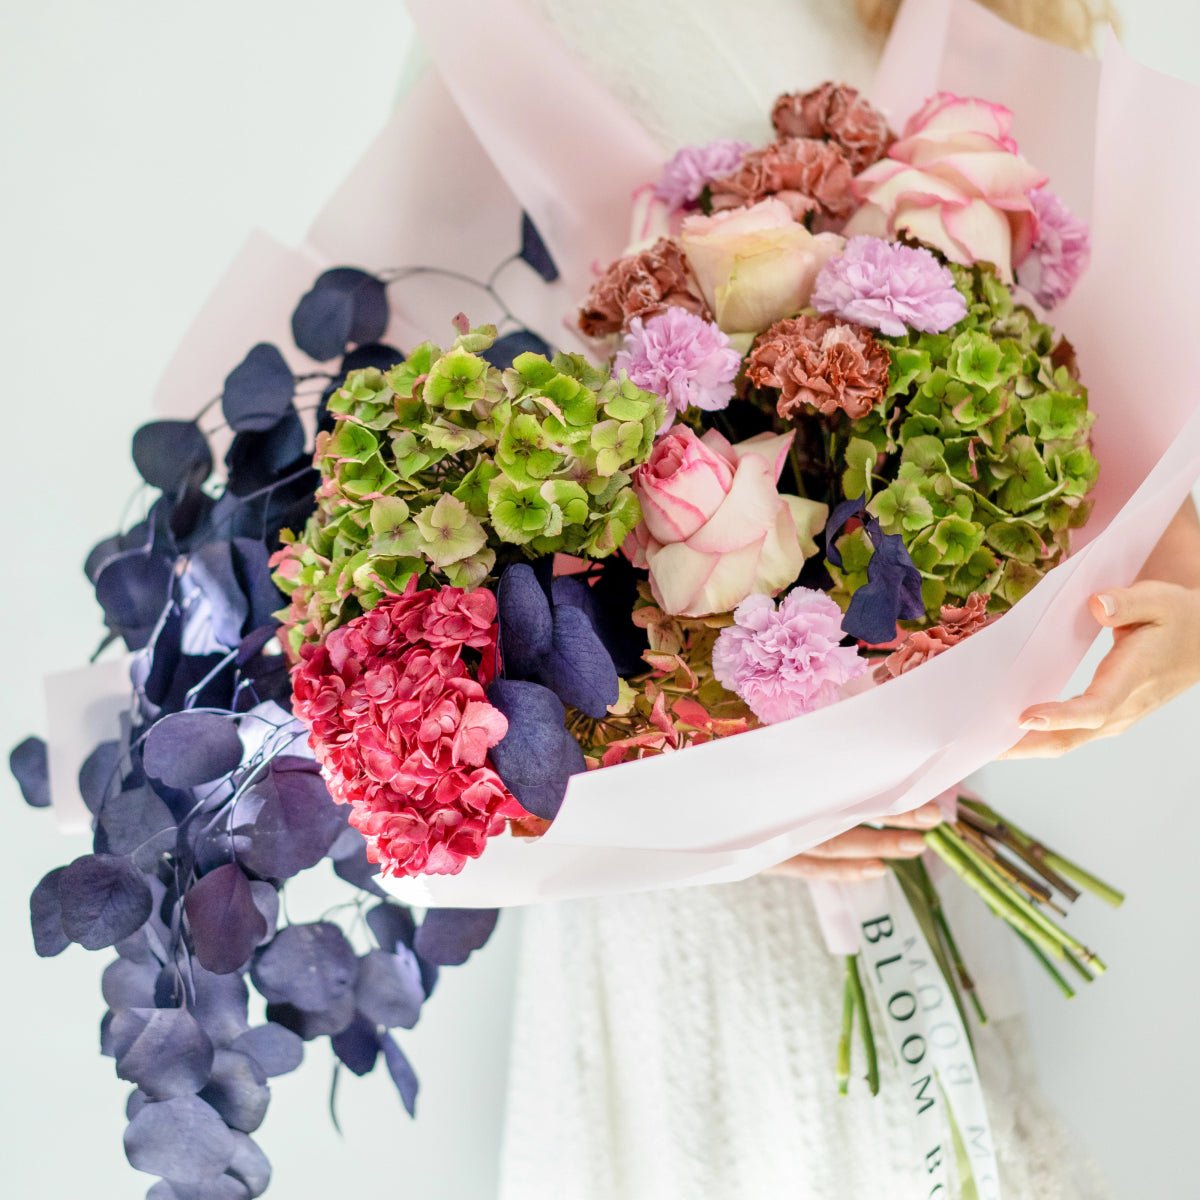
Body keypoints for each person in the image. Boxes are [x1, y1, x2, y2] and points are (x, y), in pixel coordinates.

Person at [487, 2, 1200, 1196]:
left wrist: (1186, 576)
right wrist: (709, 801)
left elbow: (1082, 365)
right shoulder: (531, 20)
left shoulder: (1001, 13)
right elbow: (460, 470)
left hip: (907, 787)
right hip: (681, 850)